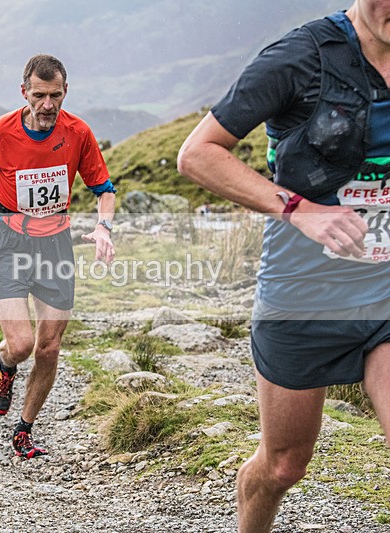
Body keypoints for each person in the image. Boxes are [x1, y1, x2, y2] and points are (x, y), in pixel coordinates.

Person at [177, 2, 390, 531]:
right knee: (283, 465)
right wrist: (300, 210)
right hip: (305, 292)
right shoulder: (301, 57)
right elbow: (198, 154)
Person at [0, 54, 116, 459]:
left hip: (56, 245)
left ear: (66, 92)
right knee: (23, 343)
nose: (48, 105)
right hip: (10, 243)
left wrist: (104, 227)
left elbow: (104, 188)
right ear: (24, 91)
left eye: (56, 96)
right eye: (40, 95)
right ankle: (6, 364)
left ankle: (24, 430)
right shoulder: (0, 131)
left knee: (49, 347)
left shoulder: (78, 132)